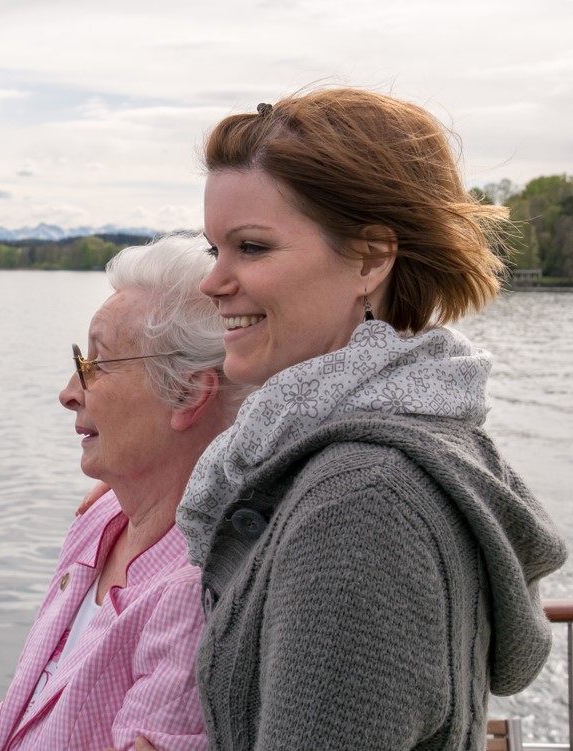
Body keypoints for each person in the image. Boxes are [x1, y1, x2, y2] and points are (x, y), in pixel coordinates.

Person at [139, 87, 566, 751]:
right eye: (213, 249)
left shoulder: (361, 503)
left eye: (251, 247)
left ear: (369, 258)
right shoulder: (424, 436)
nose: (212, 282)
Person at [0, 233, 248, 751]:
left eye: (96, 364)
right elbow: (14, 724)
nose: (68, 393)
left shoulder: (197, 592)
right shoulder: (103, 518)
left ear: (189, 393)